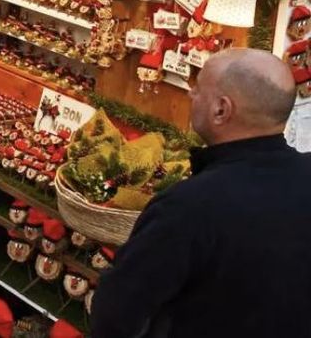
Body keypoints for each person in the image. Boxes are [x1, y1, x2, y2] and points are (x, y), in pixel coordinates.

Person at [91, 48, 311, 338]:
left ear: (221, 109)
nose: (191, 95)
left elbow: (117, 316)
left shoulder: (188, 207)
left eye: (198, 89)